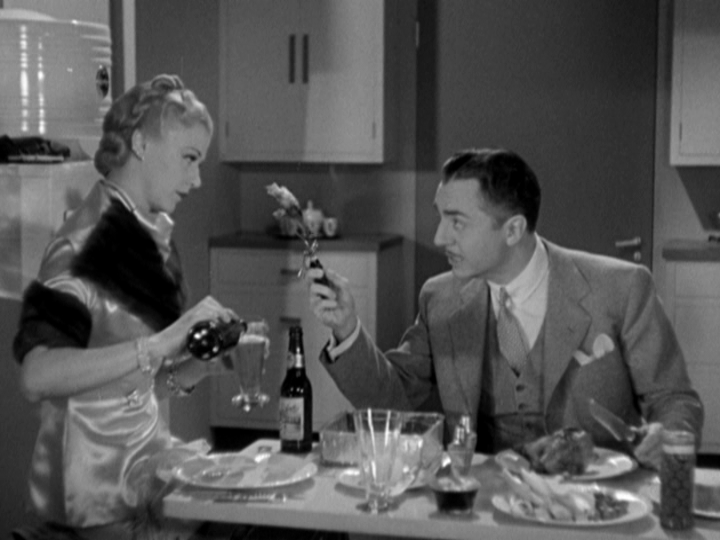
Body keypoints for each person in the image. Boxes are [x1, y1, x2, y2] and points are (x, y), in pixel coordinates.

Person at [307, 147, 703, 470]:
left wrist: (669, 436)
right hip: (487, 503)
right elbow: (392, 401)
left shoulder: (621, 288)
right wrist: (346, 329)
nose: (439, 237)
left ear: (513, 230)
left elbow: (675, 400)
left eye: (457, 222)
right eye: (440, 217)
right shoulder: (440, 299)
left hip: (596, 503)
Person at [12, 74, 238, 539]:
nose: (197, 180)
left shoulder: (151, 239)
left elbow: (129, 388)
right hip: (92, 496)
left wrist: (198, 366)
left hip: (142, 473)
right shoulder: (82, 246)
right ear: (141, 144)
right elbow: (37, 376)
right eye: (189, 159)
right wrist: (158, 345)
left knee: (265, 513)